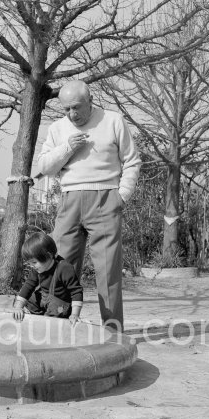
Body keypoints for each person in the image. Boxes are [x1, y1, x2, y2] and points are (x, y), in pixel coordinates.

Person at [36, 80, 141, 331]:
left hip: (105, 199)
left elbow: (132, 160)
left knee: (108, 272)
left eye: (76, 107)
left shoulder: (113, 120)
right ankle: (59, 327)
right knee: (60, 267)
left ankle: (113, 333)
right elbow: (45, 167)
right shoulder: (58, 128)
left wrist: (122, 195)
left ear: (90, 100)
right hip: (69, 200)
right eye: (66, 109)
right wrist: (67, 148)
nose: (72, 114)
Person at [12, 232, 83, 326]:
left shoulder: (64, 268)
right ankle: (39, 316)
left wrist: (75, 314)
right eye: (29, 263)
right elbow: (28, 285)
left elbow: (76, 291)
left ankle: (50, 322)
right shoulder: (36, 269)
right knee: (27, 298)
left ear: (49, 256)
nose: (31, 266)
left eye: (34, 262)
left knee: (55, 307)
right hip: (45, 298)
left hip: (61, 305)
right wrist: (18, 307)